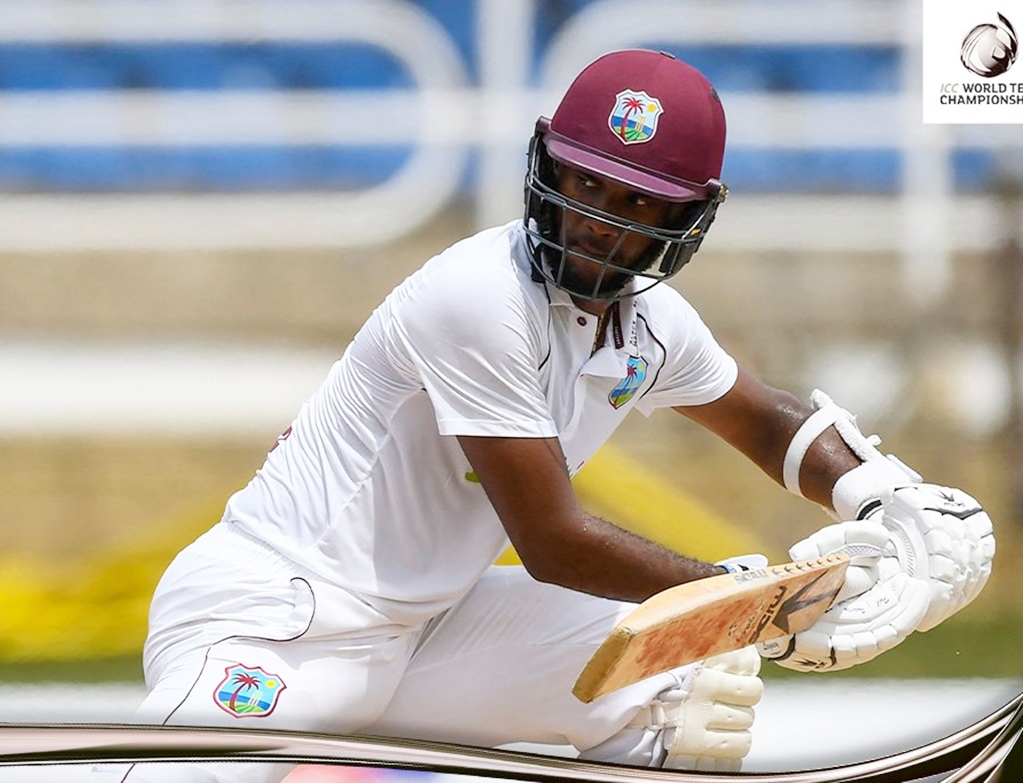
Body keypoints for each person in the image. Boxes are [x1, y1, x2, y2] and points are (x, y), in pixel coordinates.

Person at [92, 49, 995, 781]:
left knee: (677, 682)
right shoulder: (476, 296)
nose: (598, 220)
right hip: (276, 620)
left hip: (426, 632)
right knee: (697, 632)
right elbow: (555, 542)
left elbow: (767, 423)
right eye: (585, 182)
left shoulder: (650, 327)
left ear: (690, 218)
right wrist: (760, 605)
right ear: (544, 161)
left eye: (638, 203)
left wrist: (888, 496)